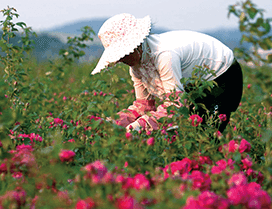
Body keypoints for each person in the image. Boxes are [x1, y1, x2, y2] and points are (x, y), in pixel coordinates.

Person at [91, 13, 243, 133]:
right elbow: (144, 106)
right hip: (194, 80)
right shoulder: (136, 67)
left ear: (136, 45)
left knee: (207, 132)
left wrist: (137, 128)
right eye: (118, 56)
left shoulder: (164, 55)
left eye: (124, 53)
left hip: (223, 74)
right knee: (189, 127)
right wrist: (112, 124)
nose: (121, 60)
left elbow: (175, 105)